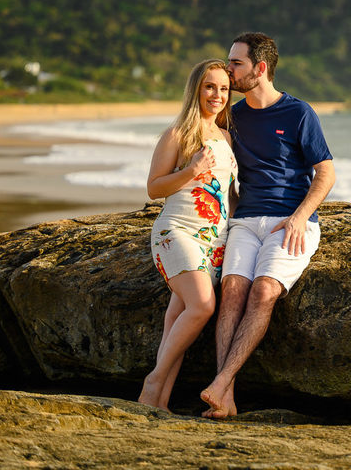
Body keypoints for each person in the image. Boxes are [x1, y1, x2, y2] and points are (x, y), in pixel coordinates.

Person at [200, 32, 335, 418]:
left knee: (263, 292)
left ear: (260, 69)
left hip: (291, 222)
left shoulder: (298, 113)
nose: (229, 70)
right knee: (232, 292)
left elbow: (325, 172)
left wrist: (299, 217)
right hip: (245, 220)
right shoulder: (234, 115)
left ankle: (221, 385)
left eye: (236, 63)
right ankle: (225, 394)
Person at [138, 59, 237, 410]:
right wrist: (192, 170)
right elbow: (154, 187)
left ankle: (157, 401)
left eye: (224, 88)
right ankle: (153, 380)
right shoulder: (177, 133)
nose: (217, 95)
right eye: (210, 86)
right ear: (196, 88)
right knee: (202, 305)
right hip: (176, 231)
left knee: (177, 321)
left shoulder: (226, 136)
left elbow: (227, 193)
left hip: (214, 241)